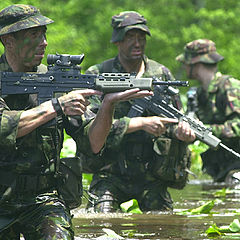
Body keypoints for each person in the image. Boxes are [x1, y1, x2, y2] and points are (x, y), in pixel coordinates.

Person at [0, 4, 153, 239]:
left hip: (42, 200)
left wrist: (108, 104)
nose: (44, 42)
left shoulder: (55, 81)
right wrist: (56, 107)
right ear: (8, 40)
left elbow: (93, 143)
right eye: (34, 35)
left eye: (44, 34)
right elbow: (3, 127)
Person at [80, 11, 196, 213]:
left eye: (141, 38)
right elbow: (89, 127)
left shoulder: (161, 73)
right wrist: (140, 124)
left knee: (164, 225)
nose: (137, 43)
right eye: (130, 38)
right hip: (110, 174)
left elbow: (177, 118)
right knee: (99, 221)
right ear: (117, 41)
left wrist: (181, 132)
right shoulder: (98, 75)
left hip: (152, 176)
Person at [176, 39, 240, 184]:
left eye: (185, 64)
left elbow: (238, 126)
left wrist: (206, 130)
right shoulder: (198, 95)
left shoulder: (230, 87)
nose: (185, 68)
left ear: (195, 64)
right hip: (220, 169)